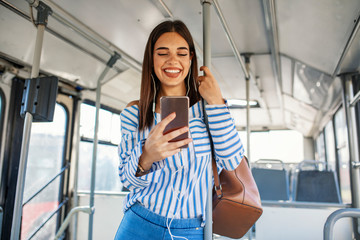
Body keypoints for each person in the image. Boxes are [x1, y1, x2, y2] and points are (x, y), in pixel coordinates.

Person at [115, 20, 244, 240]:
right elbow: (126, 180)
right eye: (162, 53)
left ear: (191, 58)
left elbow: (232, 161)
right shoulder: (134, 113)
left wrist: (215, 102)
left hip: (191, 231)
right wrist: (146, 156)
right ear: (152, 59)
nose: (173, 61)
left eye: (181, 53)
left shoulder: (208, 108)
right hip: (139, 224)